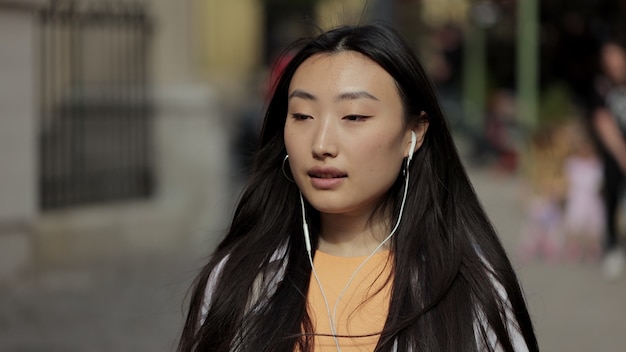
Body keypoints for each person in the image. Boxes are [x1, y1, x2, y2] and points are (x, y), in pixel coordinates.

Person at [177, 24, 538, 352]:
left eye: (354, 117)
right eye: (302, 116)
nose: (321, 144)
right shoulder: (239, 279)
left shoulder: (468, 289)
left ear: (414, 132)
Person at [589, 41, 626, 280]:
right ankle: (612, 247)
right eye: (609, 60)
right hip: (615, 157)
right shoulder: (601, 88)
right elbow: (603, 122)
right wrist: (623, 155)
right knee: (612, 199)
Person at [562, 121, 604, 262]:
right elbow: (567, 182)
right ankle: (574, 247)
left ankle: (593, 248)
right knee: (575, 222)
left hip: (591, 199)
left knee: (593, 225)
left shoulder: (597, 163)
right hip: (577, 198)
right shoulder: (572, 163)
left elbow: (599, 183)